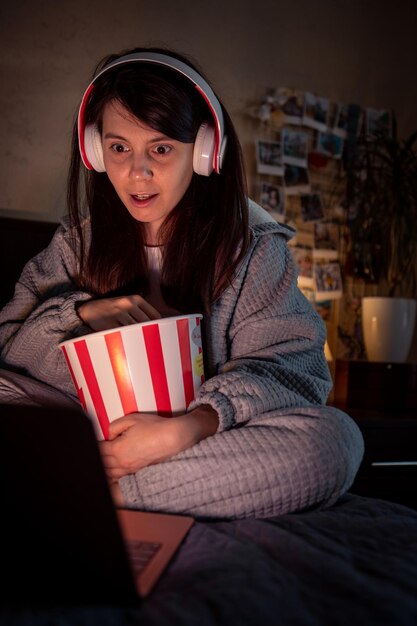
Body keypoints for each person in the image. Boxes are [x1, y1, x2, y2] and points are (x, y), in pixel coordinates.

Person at [0, 47, 364, 519]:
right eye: (118, 148)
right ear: (95, 151)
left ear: (205, 152)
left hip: (198, 448)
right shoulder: (74, 245)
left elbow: (294, 374)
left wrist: (187, 429)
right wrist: (80, 313)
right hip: (91, 437)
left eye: (161, 148)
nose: (137, 172)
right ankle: (99, 479)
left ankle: (109, 495)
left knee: (335, 440)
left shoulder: (253, 249)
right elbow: (11, 350)